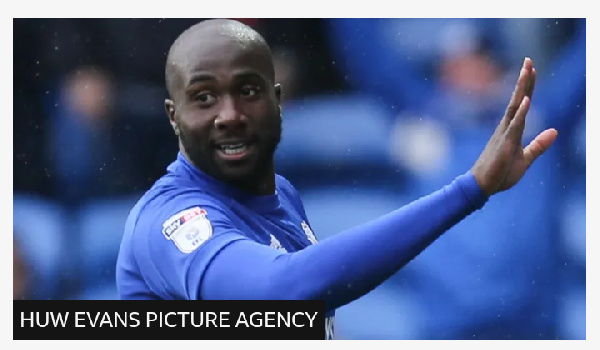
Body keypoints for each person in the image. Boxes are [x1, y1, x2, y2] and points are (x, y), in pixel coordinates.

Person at [115, 19, 557, 340]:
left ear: (277, 102)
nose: (229, 116)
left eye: (248, 91)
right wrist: (469, 190)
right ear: (174, 116)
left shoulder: (282, 197)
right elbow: (280, 293)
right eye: (204, 97)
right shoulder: (172, 219)